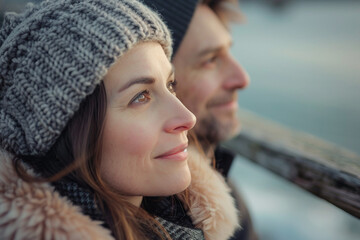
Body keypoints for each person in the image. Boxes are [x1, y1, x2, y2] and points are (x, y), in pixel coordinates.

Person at [0, 0, 239, 239]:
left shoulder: (180, 224)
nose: (187, 118)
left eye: (170, 85)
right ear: (67, 132)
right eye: (141, 97)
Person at [141, 1, 257, 239]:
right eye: (210, 60)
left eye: (228, 51)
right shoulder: (162, 219)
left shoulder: (219, 191)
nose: (242, 79)